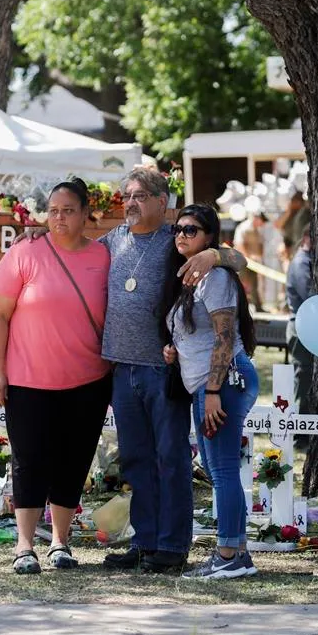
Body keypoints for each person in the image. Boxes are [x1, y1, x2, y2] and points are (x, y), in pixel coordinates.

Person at [98, 167, 247, 573]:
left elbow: (241, 260)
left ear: (162, 203)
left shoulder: (177, 238)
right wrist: (37, 235)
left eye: (141, 196)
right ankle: (144, 542)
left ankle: (172, 545)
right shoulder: (113, 240)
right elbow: (73, 251)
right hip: (122, 369)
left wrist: (215, 253)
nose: (131, 202)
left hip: (163, 372)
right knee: (136, 461)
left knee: (171, 458)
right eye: (127, 195)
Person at [0, 177, 113, 575]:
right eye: (53, 210)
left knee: (74, 461)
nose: (58, 218)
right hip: (28, 382)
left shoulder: (104, 256)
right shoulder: (26, 251)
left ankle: (60, 542)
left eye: (68, 210)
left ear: (85, 214)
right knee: (29, 461)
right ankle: (25, 545)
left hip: (89, 380)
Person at [162, 204, 259, 579]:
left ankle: (229, 555)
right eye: (178, 230)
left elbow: (224, 335)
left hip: (220, 383)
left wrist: (214, 391)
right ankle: (236, 552)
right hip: (207, 382)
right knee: (221, 470)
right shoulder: (190, 278)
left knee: (221, 472)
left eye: (191, 230)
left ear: (208, 238)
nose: (181, 235)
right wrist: (174, 349)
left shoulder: (215, 275)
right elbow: (198, 333)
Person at [286, 224, 313, 413]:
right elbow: (309, 295)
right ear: (306, 238)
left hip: (307, 326)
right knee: (303, 377)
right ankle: (298, 432)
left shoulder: (306, 260)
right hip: (300, 326)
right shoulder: (301, 263)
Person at [232, 211, 264, 310]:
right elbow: (239, 245)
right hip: (243, 262)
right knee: (243, 284)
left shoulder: (256, 230)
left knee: (254, 284)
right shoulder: (243, 228)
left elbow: (260, 245)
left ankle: (257, 306)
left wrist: (258, 258)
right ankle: (239, 306)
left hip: (254, 263)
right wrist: (248, 258)